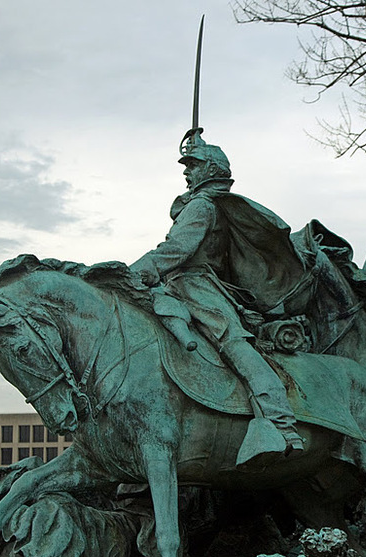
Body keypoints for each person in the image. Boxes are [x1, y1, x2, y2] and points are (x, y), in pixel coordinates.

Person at [130, 130, 305, 469]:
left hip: (197, 290)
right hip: (177, 287)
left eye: (193, 165)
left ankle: (280, 425)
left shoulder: (200, 206)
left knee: (235, 346)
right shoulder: (199, 204)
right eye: (187, 165)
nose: (186, 172)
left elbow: (176, 251)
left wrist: (132, 272)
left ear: (210, 170)